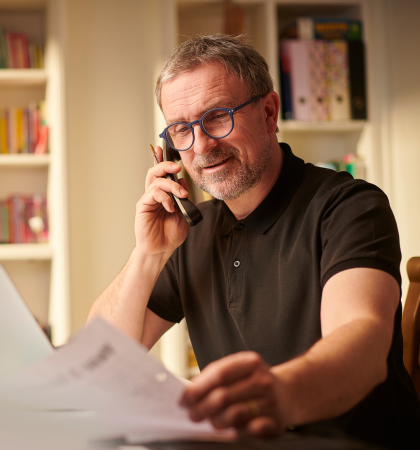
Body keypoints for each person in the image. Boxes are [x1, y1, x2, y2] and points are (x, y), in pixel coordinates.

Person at [88, 35, 420, 449]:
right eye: (181, 130)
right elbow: (100, 355)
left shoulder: (348, 207)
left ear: (268, 112)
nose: (202, 146)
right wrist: (148, 255)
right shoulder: (189, 232)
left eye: (217, 117)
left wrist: (275, 396)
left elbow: (363, 346)